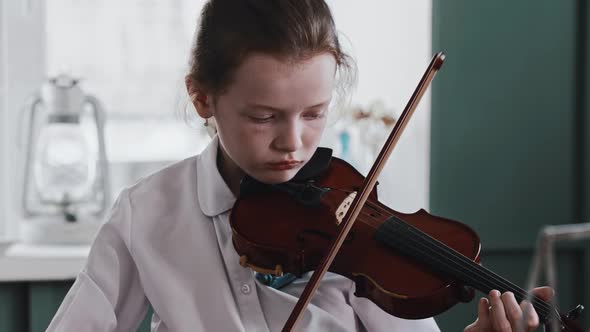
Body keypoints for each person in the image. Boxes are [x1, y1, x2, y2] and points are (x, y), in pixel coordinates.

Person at [47, 0, 553, 331]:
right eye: (264, 117)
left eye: (314, 114)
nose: (294, 144)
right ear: (202, 98)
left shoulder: (354, 210)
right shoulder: (146, 214)